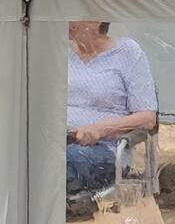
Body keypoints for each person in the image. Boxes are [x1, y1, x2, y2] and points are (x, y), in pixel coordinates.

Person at [65, 21, 158, 200]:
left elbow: (148, 118)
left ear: (96, 19)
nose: (66, 20)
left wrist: (101, 129)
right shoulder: (60, 52)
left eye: (73, 13)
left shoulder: (128, 53)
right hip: (57, 141)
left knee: (59, 161)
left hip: (103, 149)